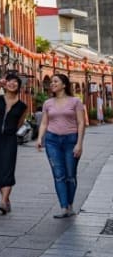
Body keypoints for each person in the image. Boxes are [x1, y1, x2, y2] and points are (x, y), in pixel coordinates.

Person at [36, 73, 86, 219]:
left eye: (55, 81)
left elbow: (81, 123)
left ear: (64, 85)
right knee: (59, 175)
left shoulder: (75, 101)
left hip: (71, 140)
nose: (52, 84)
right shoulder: (48, 103)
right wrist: (40, 138)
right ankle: (64, 207)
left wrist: (79, 143)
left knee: (70, 175)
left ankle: (70, 205)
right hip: (52, 141)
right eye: (51, 82)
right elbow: (44, 122)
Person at [0, 72, 28, 215]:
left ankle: (3, 201)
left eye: (16, 82)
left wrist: (9, 131)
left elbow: (20, 123)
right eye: (10, 81)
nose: (12, 83)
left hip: (9, 139)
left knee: (8, 168)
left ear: (19, 86)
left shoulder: (22, 106)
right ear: (6, 83)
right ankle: (6, 200)